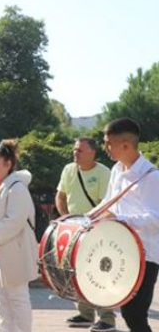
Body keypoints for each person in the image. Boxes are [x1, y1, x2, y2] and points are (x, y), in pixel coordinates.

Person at [97, 118, 159, 332]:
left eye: (108, 143)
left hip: (146, 255)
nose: (105, 148)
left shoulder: (152, 177)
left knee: (135, 314)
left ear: (125, 144)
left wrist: (122, 220)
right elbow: (108, 204)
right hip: (122, 250)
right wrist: (84, 218)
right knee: (129, 313)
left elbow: (156, 219)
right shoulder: (116, 170)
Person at [0, 140, 38, 332]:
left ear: (8, 164)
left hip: (13, 251)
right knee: (2, 298)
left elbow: (14, 221)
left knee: (17, 298)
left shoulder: (17, 187)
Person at [55, 138, 114, 331]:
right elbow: (60, 196)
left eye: (79, 150)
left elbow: (106, 204)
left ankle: (107, 318)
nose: (75, 153)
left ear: (92, 153)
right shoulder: (68, 170)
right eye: (74, 150)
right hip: (73, 229)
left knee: (99, 273)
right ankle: (85, 313)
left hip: (97, 229)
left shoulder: (104, 173)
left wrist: (89, 223)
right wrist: (66, 219)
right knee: (76, 272)